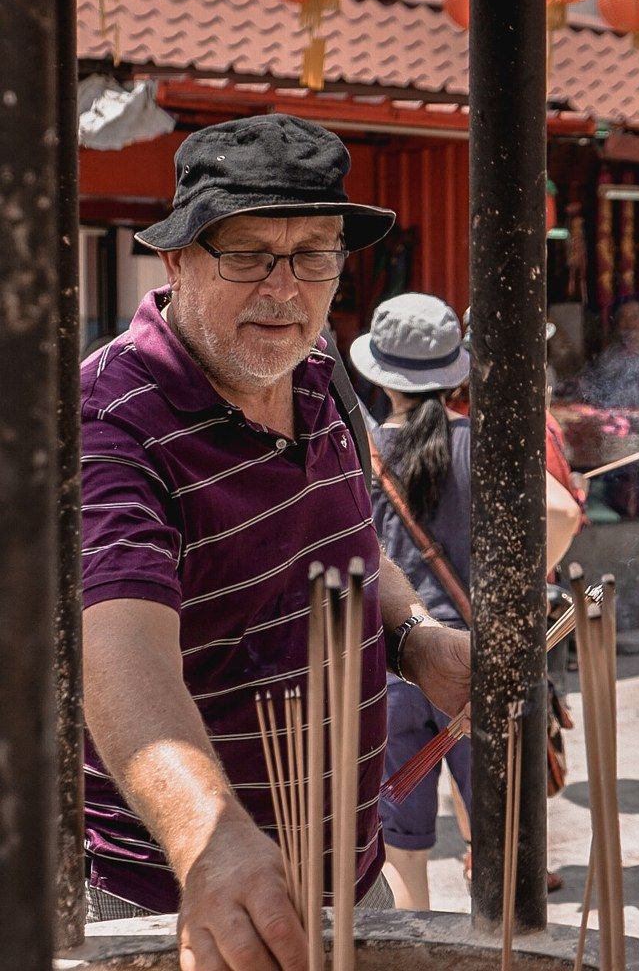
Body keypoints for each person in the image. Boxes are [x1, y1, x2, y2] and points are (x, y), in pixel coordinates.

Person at [80, 114, 470, 970]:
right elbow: (119, 656)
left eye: (314, 256)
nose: (285, 291)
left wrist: (415, 641)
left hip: (346, 865)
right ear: (176, 258)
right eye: (249, 254)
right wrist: (208, 839)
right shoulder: (110, 423)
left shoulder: (316, 365)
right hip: (176, 890)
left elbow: (348, 540)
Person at [350, 293, 472, 910]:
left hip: (395, 666)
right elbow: (556, 515)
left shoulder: (357, 453)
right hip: (477, 665)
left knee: (403, 853)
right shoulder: (484, 447)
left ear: (378, 371)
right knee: (500, 840)